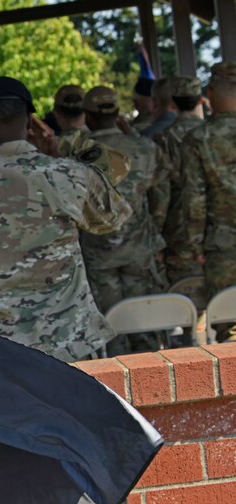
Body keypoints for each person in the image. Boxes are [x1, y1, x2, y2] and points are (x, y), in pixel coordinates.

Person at [0, 76, 133, 362]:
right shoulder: (67, 175)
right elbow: (114, 216)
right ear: (31, 123)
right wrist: (62, 149)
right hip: (71, 347)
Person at [81, 86, 168, 353]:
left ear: (88, 116)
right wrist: (155, 228)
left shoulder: (76, 152)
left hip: (97, 256)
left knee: (111, 334)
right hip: (139, 250)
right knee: (146, 332)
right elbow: (161, 194)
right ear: (117, 113)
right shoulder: (144, 147)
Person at [181, 61, 236, 338]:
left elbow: (195, 197)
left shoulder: (198, 138)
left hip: (223, 246)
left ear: (211, 92)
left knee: (229, 324)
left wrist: (196, 244)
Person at [155, 76, 206, 282]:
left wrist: (157, 234)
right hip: (216, 228)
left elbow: (161, 192)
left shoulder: (163, 138)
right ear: (200, 100)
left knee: (184, 290)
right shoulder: (212, 134)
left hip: (178, 226)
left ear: (173, 103)